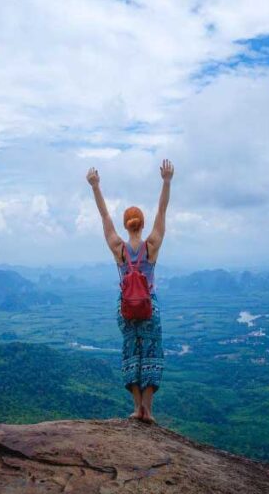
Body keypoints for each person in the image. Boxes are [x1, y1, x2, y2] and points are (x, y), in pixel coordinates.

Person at [86, 159, 173, 424]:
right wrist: (167, 181)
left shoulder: (118, 248)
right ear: (142, 224)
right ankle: (148, 409)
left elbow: (104, 216)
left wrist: (95, 186)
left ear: (126, 225)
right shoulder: (152, 245)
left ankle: (136, 408)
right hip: (149, 307)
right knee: (151, 353)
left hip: (125, 307)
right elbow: (162, 211)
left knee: (131, 353)